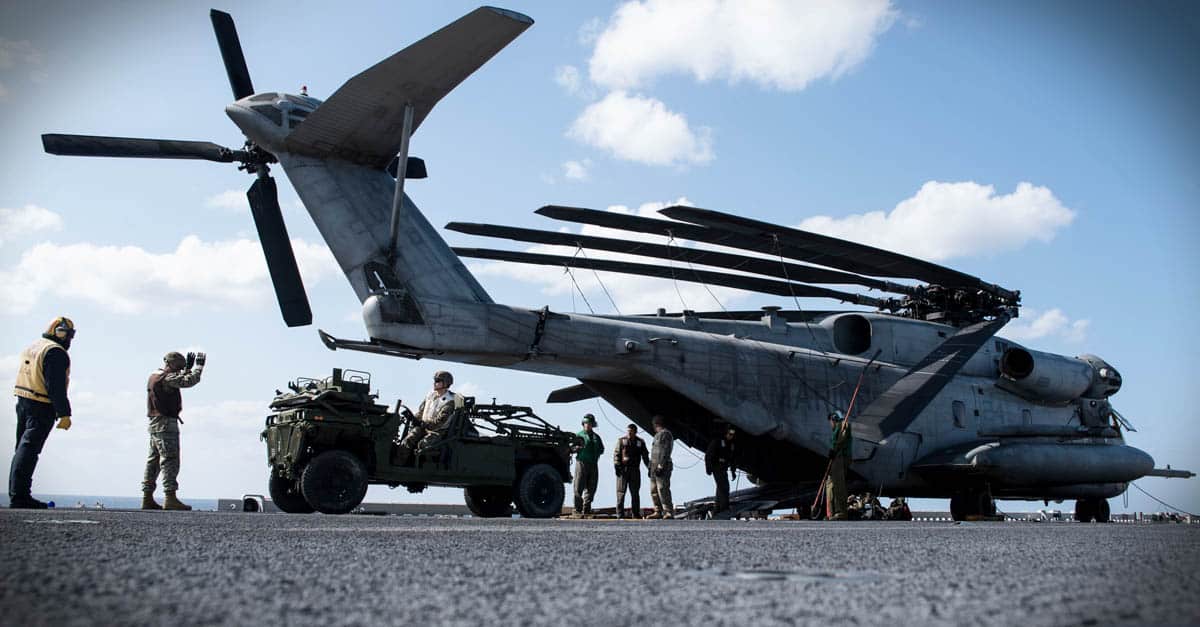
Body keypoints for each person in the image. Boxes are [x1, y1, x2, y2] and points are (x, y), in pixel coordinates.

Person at [10, 317, 75, 509]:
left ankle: (17, 493)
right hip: (41, 404)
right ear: (59, 332)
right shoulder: (55, 352)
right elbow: (55, 386)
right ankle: (20, 496)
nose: (69, 339)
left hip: (23, 400)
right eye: (68, 334)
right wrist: (64, 413)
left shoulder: (34, 346)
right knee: (29, 450)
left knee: (21, 449)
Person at [143, 351, 205, 510]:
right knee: (170, 460)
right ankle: (170, 497)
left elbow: (177, 379)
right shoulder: (167, 378)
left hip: (155, 424)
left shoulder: (154, 376)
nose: (180, 370)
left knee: (154, 461)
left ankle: (147, 497)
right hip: (166, 424)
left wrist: (186, 370)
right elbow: (189, 381)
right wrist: (197, 368)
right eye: (179, 367)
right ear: (172, 365)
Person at [396, 370, 463, 463]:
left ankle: (423, 469)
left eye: (438, 381)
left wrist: (422, 423)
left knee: (423, 446)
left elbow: (439, 422)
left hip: (438, 431)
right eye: (435, 380)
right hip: (423, 427)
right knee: (408, 440)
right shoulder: (430, 395)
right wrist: (414, 419)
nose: (435, 383)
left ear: (446, 383)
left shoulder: (450, 401)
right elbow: (421, 411)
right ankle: (399, 464)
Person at [612, 423, 649, 519]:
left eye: (631, 432)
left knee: (635, 493)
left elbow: (645, 456)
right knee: (620, 492)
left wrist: (649, 468)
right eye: (628, 431)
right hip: (623, 469)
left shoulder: (640, 442)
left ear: (635, 432)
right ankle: (620, 514)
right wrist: (617, 465)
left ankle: (636, 514)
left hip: (635, 470)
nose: (629, 433)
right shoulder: (621, 441)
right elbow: (616, 453)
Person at [571, 414, 604, 517]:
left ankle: (587, 509)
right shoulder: (578, 435)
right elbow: (572, 448)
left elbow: (602, 449)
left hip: (593, 464)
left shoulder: (596, 437)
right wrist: (576, 448)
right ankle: (577, 509)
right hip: (581, 463)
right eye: (586, 423)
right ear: (583, 424)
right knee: (578, 486)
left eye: (590, 424)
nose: (588, 425)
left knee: (591, 487)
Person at [705, 426, 738, 518]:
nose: (731, 436)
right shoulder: (717, 442)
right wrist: (708, 468)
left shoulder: (731, 444)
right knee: (724, 487)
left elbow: (733, 459)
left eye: (733, 435)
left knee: (720, 488)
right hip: (716, 467)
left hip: (724, 468)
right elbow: (709, 455)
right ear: (726, 433)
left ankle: (717, 510)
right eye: (730, 434)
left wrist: (733, 471)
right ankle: (724, 508)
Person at [825, 410, 853, 521]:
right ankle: (831, 512)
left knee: (838, 485)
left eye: (830, 421)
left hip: (841, 457)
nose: (830, 424)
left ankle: (841, 511)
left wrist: (834, 449)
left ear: (834, 419)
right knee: (830, 484)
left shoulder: (843, 425)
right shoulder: (837, 428)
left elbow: (841, 439)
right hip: (835, 457)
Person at [647, 415, 674, 519]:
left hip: (663, 466)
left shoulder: (666, 434)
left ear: (656, 424)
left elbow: (666, 451)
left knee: (662, 488)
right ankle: (658, 511)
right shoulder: (657, 435)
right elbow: (653, 452)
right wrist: (650, 467)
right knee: (653, 490)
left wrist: (661, 465)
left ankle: (668, 511)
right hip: (654, 466)